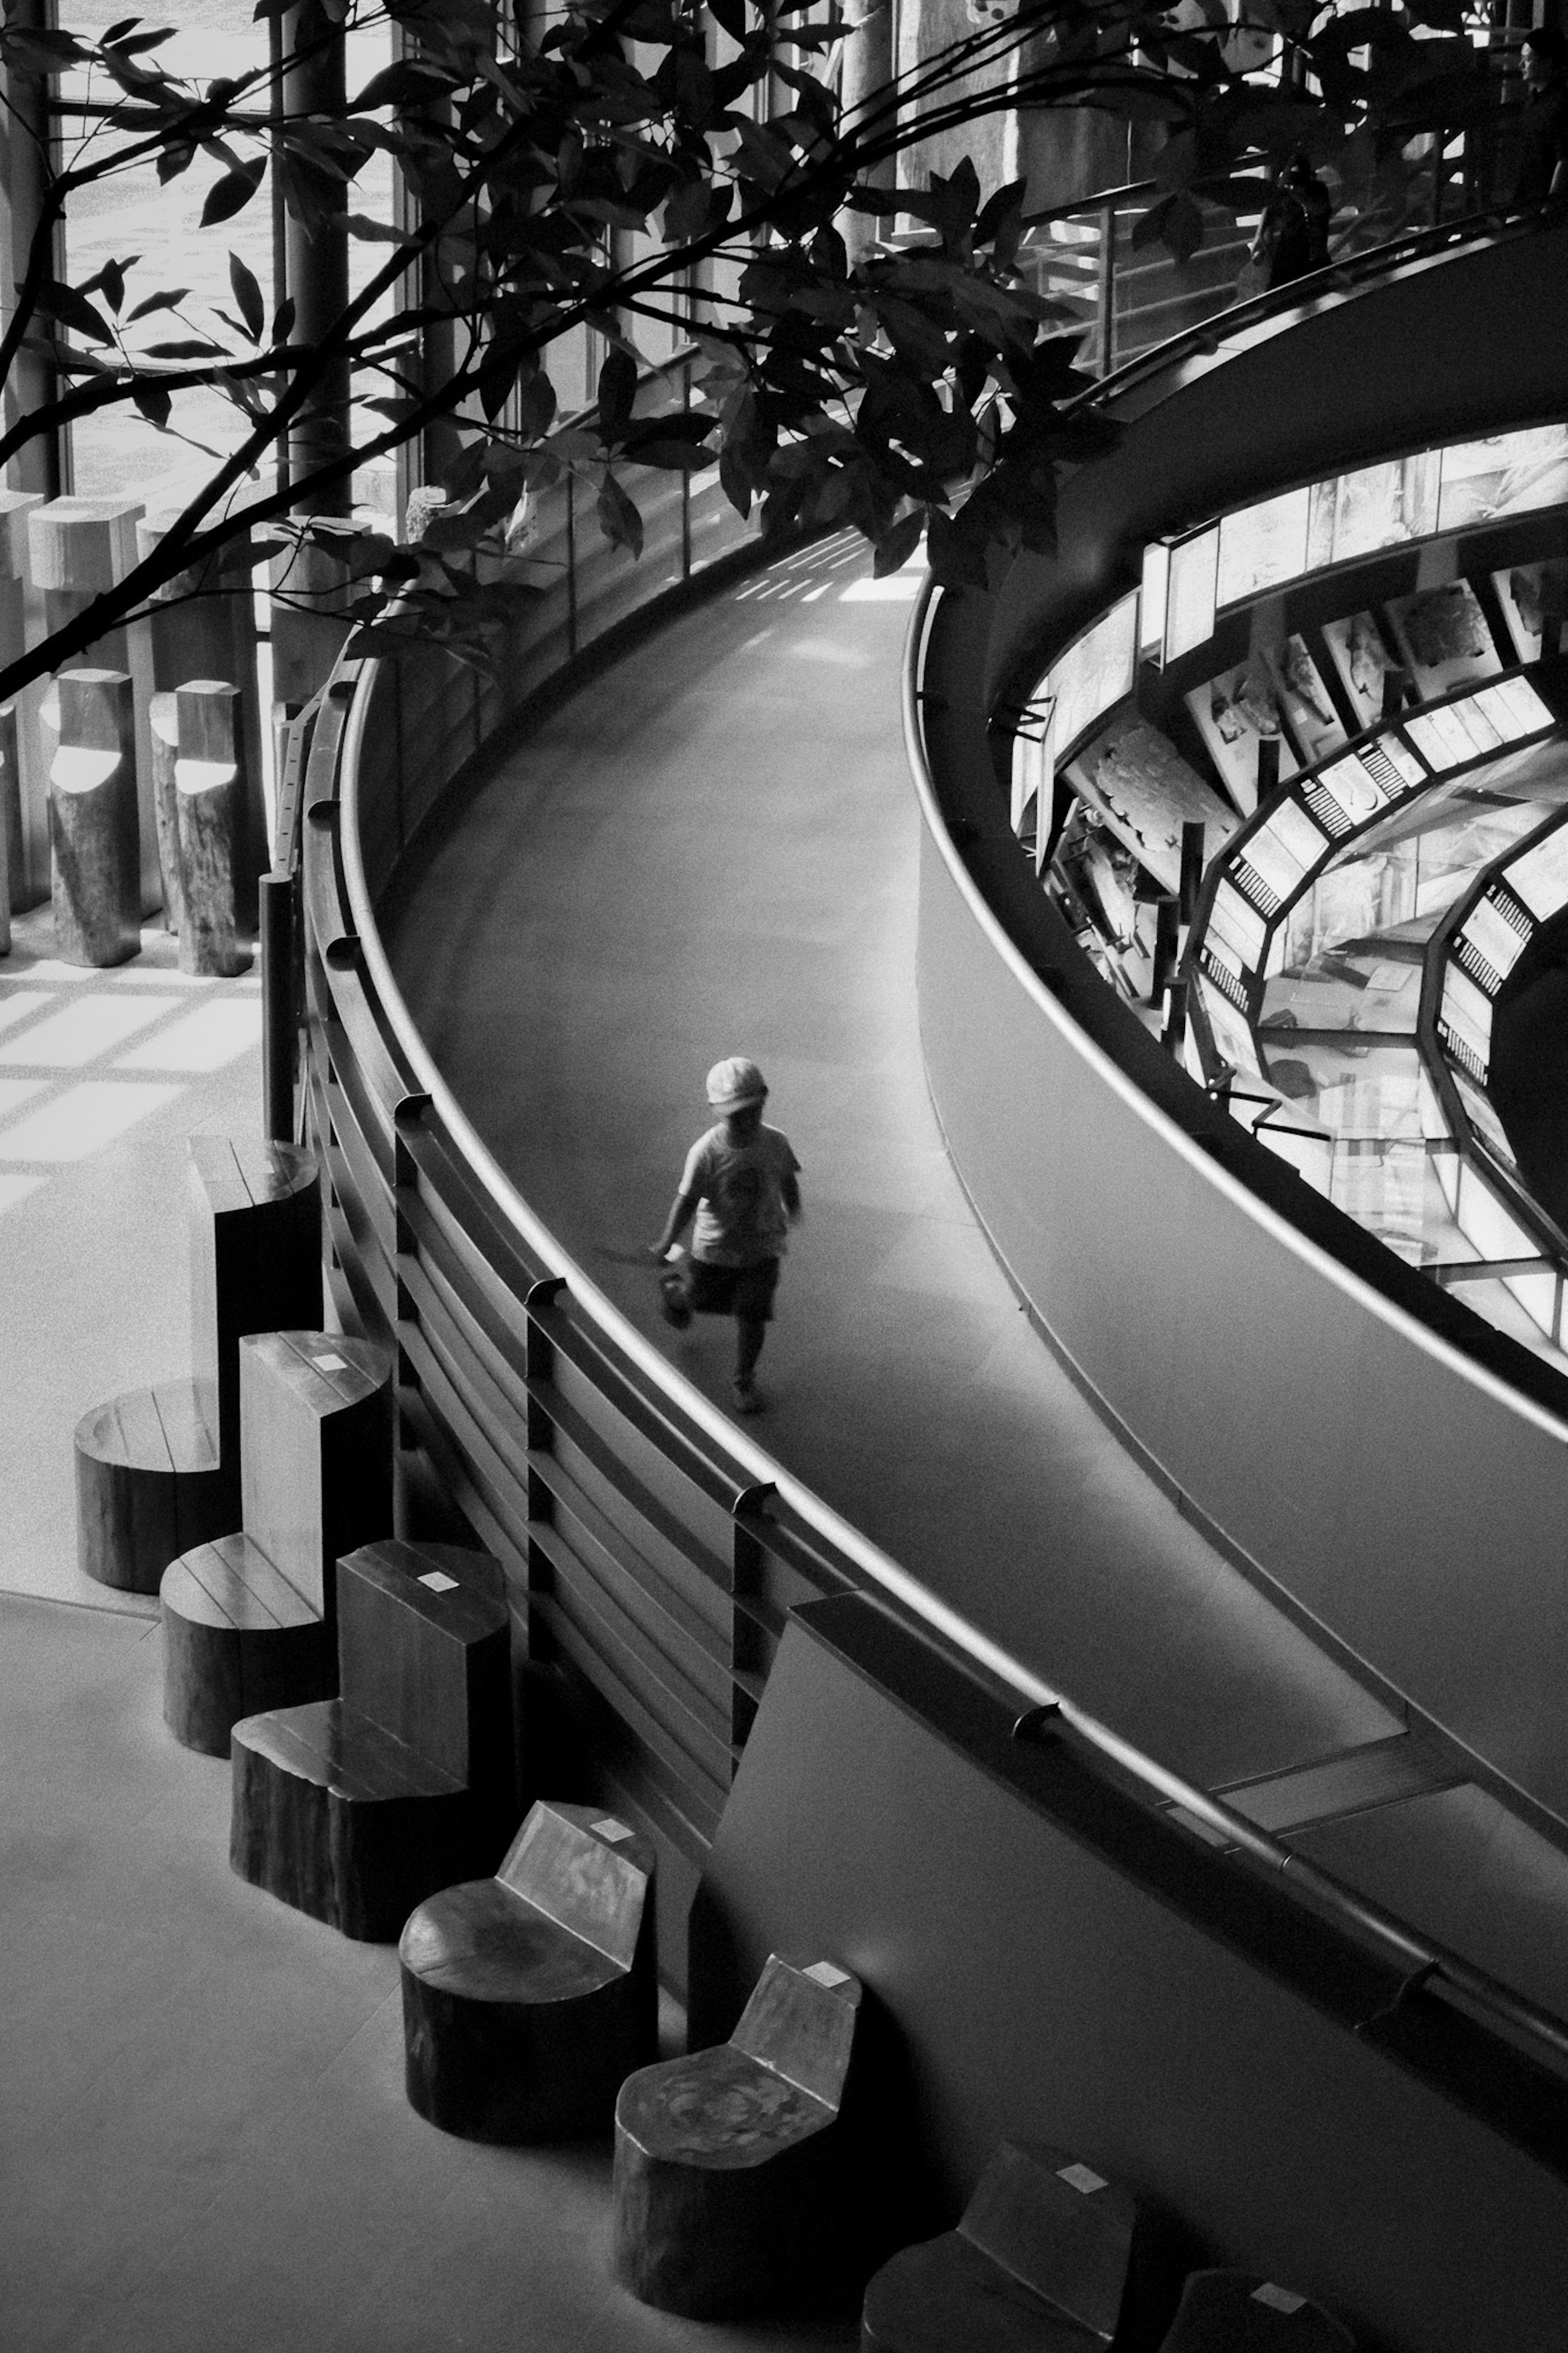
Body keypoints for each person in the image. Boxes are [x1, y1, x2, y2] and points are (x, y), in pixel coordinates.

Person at [648, 1057, 802, 1416]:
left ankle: (744, 1378)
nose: (748, 1121)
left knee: (752, 1313)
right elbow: (686, 1201)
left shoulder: (775, 1142)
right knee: (701, 1299)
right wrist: (667, 1240)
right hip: (715, 1250)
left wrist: (793, 1207)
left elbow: (787, 1176)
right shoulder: (706, 1153)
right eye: (737, 1115)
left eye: (754, 1111)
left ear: (764, 1101)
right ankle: (677, 1294)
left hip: (763, 1248)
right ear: (716, 1112)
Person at [1248, 153, 1332, 292]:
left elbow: (1319, 210)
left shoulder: (1318, 191)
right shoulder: (1286, 196)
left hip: (1313, 253)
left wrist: (1293, 194)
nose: (1292, 189)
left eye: (1296, 185)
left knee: (1316, 293)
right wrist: (1259, 235)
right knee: (1277, 296)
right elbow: (1270, 210)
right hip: (1288, 250)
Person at [1512, 26, 1568, 210]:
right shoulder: (1533, 101)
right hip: (1529, 201)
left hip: (1548, 208)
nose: (1521, 65)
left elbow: (1565, 160)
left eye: (1527, 60)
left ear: (1547, 63)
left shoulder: (1561, 106)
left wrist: (1549, 206)